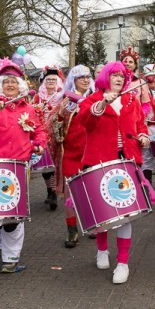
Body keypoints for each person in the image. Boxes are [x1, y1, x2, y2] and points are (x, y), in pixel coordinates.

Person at [0, 58, 47, 273]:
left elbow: (39, 132)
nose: (11, 85)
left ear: (21, 86)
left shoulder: (30, 109)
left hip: (17, 166)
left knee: (13, 215)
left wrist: (39, 144)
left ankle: (10, 258)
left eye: (14, 82)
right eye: (6, 82)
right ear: (0, 85)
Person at [80, 61, 151, 284]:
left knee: (125, 214)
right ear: (105, 78)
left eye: (123, 75)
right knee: (103, 213)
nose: (119, 79)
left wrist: (144, 137)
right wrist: (101, 104)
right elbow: (86, 123)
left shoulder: (132, 100)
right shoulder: (92, 99)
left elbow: (141, 125)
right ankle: (102, 250)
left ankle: (123, 263)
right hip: (99, 161)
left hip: (126, 163)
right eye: (114, 75)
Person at [46, 65, 93, 247]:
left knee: (91, 192)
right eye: (81, 77)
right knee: (70, 194)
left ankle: (92, 225)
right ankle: (72, 230)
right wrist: (60, 117)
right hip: (70, 153)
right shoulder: (66, 101)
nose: (85, 80)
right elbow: (54, 129)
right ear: (73, 79)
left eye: (88, 77)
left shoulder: (94, 98)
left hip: (90, 153)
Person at [33, 66, 64, 210]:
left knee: (55, 165)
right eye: (48, 79)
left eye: (53, 79)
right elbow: (31, 114)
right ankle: (50, 191)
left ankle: (54, 191)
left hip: (57, 134)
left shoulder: (62, 95)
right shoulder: (38, 97)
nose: (51, 82)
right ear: (44, 82)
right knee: (46, 167)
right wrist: (36, 108)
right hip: (42, 134)